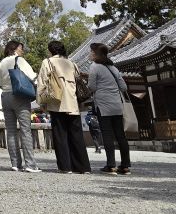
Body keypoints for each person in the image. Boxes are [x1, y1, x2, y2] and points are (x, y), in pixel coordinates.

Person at [37, 40, 90, 174]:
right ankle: (82, 167)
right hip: (73, 102)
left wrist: (41, 101)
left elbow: (42, 82)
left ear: (50, 51)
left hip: (57, 102)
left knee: (60, 135)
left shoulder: (47, 62)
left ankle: (65, 166)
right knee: (76, 135)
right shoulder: (72, 64)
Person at [88, 43, 131, 175]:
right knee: (120, 135)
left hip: (103, 105)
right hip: (117, 105)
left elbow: (92, 87)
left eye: (91, 52)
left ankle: (111, 165)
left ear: (95, 54)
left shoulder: (94, 67)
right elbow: (123, 87)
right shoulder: (113, 68)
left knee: (107, 134)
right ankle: (125, 165)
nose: (89, 54)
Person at [0, 40, 40, 173]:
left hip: (5, 96)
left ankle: (15, 163)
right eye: (21, 48)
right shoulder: (19, 60)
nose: (22, 51)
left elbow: (0, 81)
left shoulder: (1, 63)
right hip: (19, 96)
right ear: (15, 49)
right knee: (25, 130)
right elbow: (32, 76)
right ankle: (30, 164)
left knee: (10, 130)